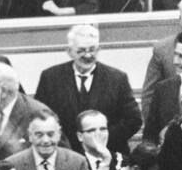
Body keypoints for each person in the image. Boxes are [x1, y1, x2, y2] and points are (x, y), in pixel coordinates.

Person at [35, 23, 142, 158]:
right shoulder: (50, 78)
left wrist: (99, 140)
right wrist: (64, 144)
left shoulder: (117, 78)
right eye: (81, 51)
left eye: (92, 50)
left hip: (109, 155)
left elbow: (133, 120)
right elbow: (40, 118)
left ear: (99, 49)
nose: (87, 55)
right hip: (64, 156)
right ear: (69, 52)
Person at [142, 30, 182, 144]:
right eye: (175, 55)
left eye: (181, 56)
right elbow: (149, 136)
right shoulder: (163, 89)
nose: (175, 61)